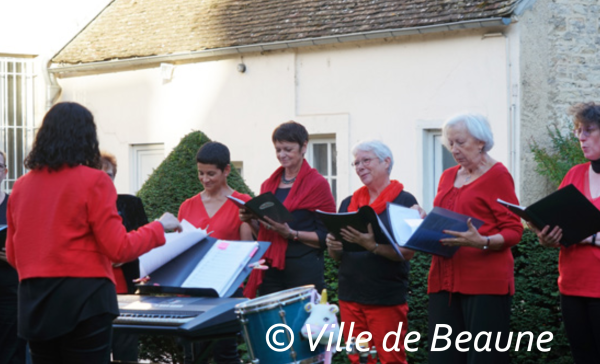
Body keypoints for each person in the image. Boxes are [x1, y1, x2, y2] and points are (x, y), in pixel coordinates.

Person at [5, 102, 181, 364]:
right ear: (86, 137)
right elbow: (119, 248)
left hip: (35, 300)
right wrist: (158, 227)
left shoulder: (20, 187)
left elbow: (13, 255)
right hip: (85, 301)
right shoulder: (94, 181)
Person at [427, 113, 523, 364]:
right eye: (450, 144)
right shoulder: (448, 176)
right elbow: (447, 217)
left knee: (484, 359)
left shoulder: (498, 175)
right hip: (444, 280)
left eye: (460, 142)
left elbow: (514, 229)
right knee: (443, 359)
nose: (454, 149)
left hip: (484, 284)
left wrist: (482, 241)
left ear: (481, 142)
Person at [326, 140, 422, 364]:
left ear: (386, 162)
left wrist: (373, 247)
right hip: (350, 294)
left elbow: (408, 253)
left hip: (385, 296)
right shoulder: (348, 203)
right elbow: (338, 257)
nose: (359, 166)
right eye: (356, 162)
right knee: (357, 359)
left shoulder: (405, 201)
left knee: (391, 359)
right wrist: (334, 247)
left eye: (366, 160)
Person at [532, 102, 600, 363]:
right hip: (571, 288)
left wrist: (590, 237)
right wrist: (546, 236)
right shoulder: (574, 174)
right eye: (578, 131)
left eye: (589, 130)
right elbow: (557, 222)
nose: (581, 138)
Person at [241, 121, 336, 298]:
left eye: (287, 149)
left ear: (304, 147)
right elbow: (263, 233)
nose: (282, 155)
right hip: (271, 270)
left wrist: (291, 233)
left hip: (303, 271)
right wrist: (250, 219)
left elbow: (326, 236)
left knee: (301, 325)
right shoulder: (269, 185)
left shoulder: (317, 185)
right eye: (278, 150)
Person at [177, 141, 253, 364]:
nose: (205, 179)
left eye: (211, 173)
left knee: (225, 354)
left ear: (226, 170)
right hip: (194, 292)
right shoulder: (187, 206)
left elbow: (246, 249)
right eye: (200, 173)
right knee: (194, 355)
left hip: (227, 291)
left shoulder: (243, 204)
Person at [100, 151, 148, 362]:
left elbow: (147, 244)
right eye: (99, 174)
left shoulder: (130, 204)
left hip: (126, 291)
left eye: (109, 175)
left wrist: (127, 253)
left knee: (126, 353)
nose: (104, 180)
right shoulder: (81, 206)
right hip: (96, 292)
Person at [0, 151, 28, 364]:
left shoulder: (15, 205)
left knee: (11, 353)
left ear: (5, 172)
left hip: (10, 293)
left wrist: (15, 252)